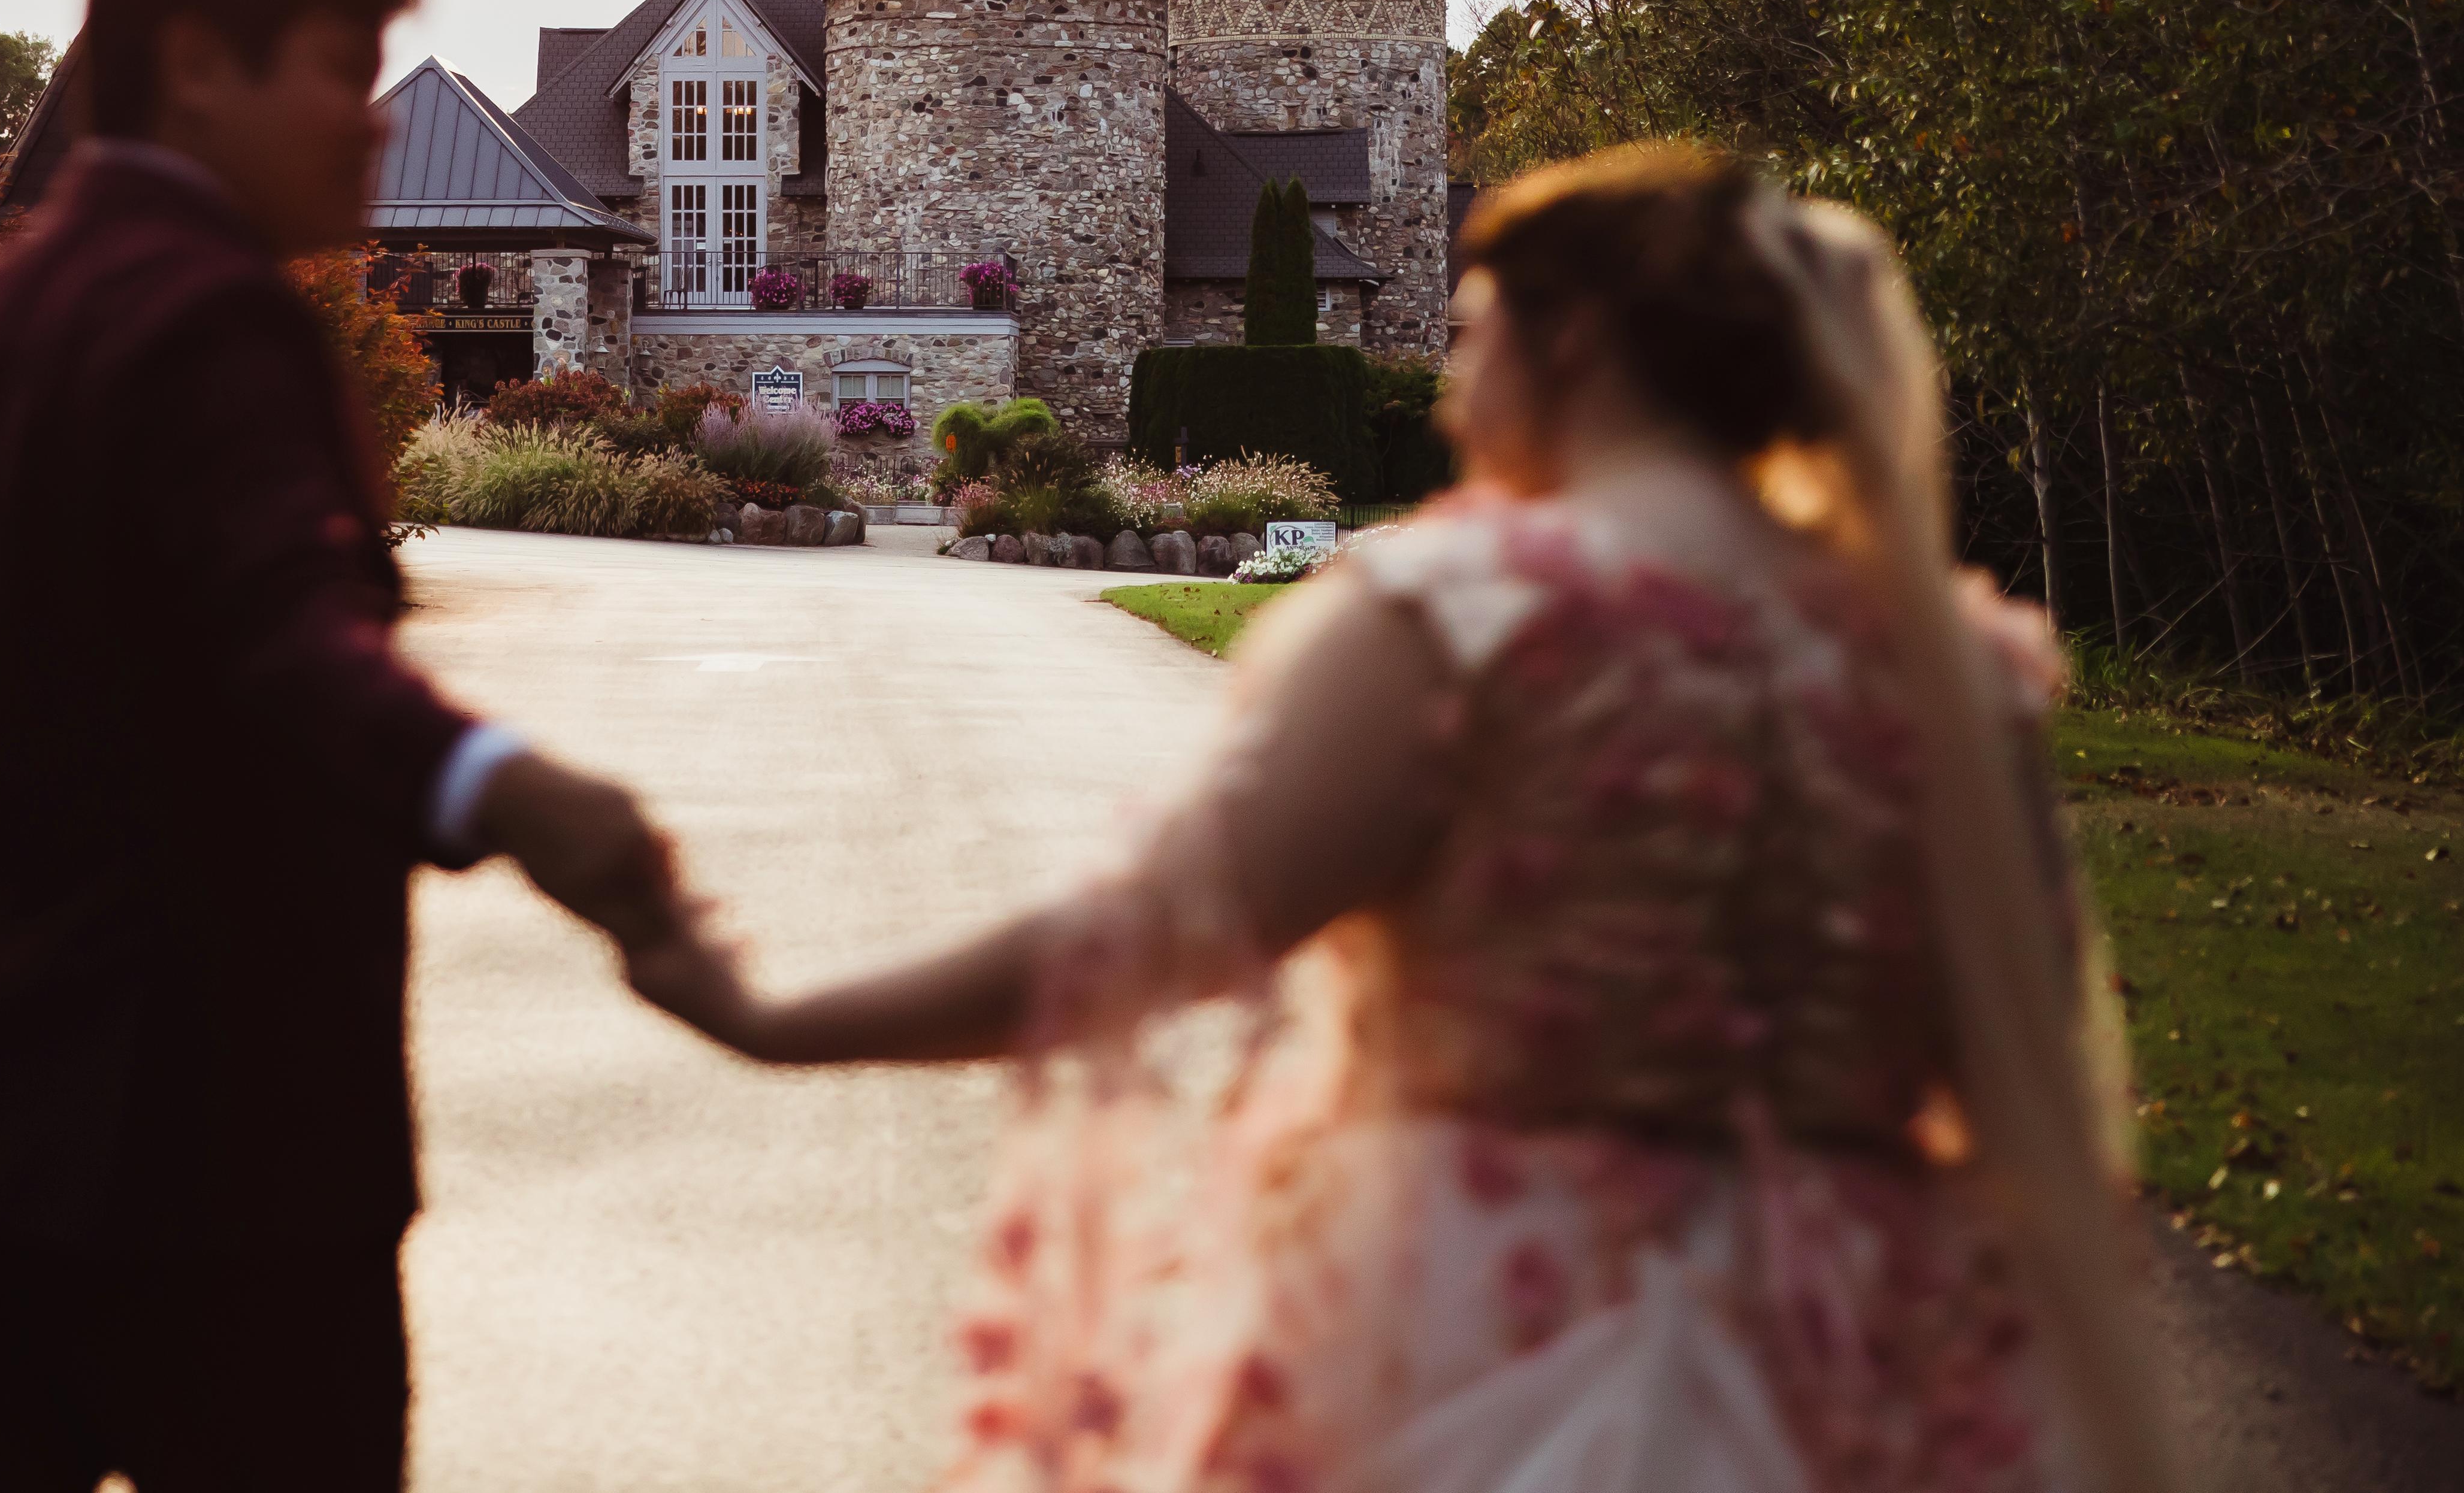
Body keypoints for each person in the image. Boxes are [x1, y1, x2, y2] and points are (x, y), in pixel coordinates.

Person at [649, 145, 2180, 1493]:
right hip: (1872, 1354)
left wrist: (777, 1018)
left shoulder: (1467, 613)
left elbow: (1158, 932)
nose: (1448, 381)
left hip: (1502, 1328)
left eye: (1468, 329)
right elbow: (2011, 1035)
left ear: (1570, 340)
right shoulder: (1938, 667)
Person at [0, 0, 708, 1492]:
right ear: (197, 68)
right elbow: (280, 642)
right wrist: (507, 789)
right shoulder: (215, 321)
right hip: (221, 1167)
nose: (372, 125)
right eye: (337, 70)